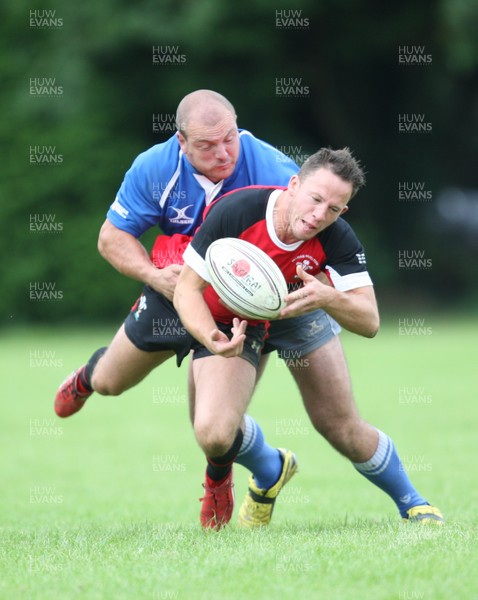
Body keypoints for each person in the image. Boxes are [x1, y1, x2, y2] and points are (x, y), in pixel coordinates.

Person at [54, 89, 300, 529]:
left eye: (229, 139)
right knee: (111, 383)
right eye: (206, 145)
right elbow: (110, 238)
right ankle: (89, 376)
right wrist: (153, 275)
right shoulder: (155, 167)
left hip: (234, 311)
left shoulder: (275, 170)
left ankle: (218, 480)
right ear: (181, 142)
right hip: (170, 290)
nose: (223, 153)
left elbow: (311, 234)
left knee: (214, 430)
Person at [173, 147, 443, 527]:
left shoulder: (337, 237)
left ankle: (414, 504)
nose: (320, 215)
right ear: (294, 184)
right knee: (214, 434)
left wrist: (328, 296)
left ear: (343, 211)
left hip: (303, 310)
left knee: (340, 426)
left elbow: (369, 321)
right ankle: (272, 468)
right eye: (315, 199)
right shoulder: (238, 210)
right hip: (236, 318)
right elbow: (186, 289)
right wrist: (211, 338)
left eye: (334, 208)